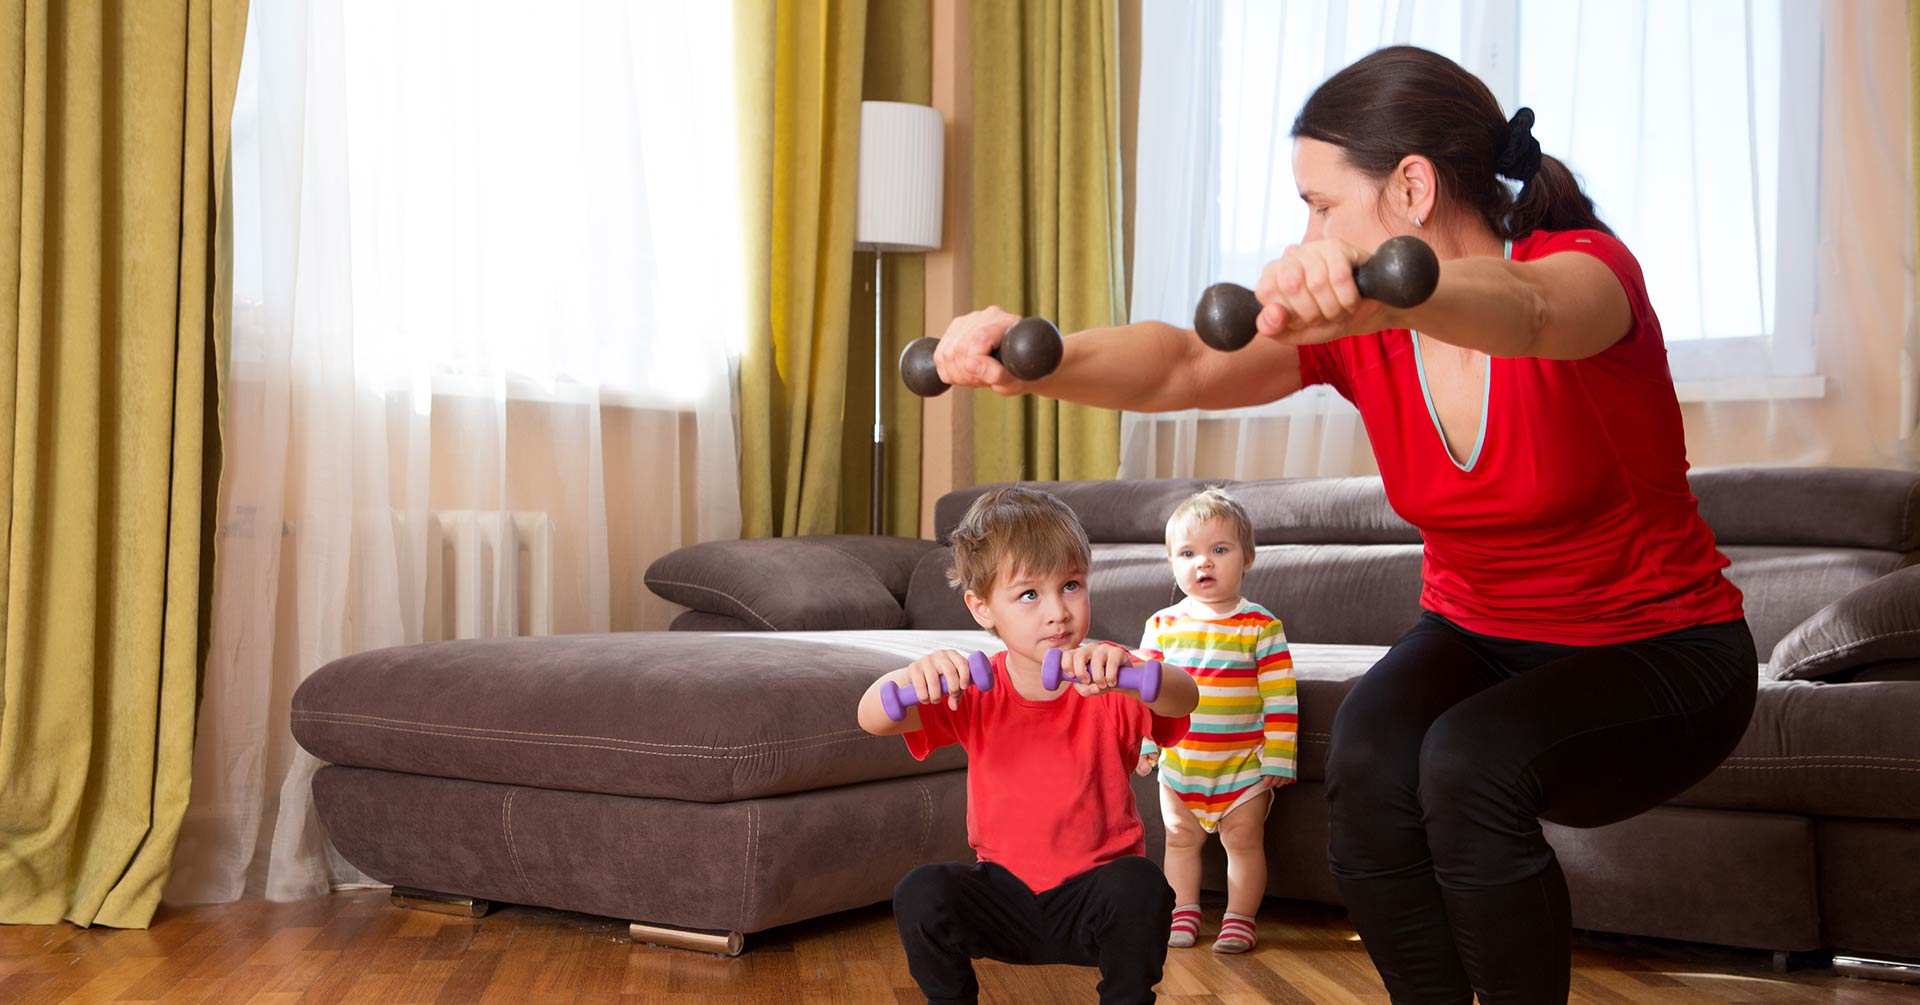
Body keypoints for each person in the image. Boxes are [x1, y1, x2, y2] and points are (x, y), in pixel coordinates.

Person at [925, 45, 1756, 1005]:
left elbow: (1531, 314)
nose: (1309, 231)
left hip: (1662, 651)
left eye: (1321, 204)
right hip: (1477, 636)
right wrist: (1034, 361)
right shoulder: (1363, 334)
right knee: (1366, 755)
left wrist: (1386, 294)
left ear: (1412, 187)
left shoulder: (1586, 272)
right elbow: (1184, 364)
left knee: (1469, 761)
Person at [856, 485, 1201, 1005]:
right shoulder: (976, 688)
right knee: (920, 892)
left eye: (1071, 585)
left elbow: (1184, 698)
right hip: (1003, 897)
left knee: (1141, 886)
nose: (1057, 611)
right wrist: (909, 677)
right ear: (982, 608)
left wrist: (1137, 676)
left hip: (1094, 898)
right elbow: (872, 718)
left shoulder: (1111, 678)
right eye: (1029, 595)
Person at [1135, 488, 1296, 954]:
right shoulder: (1161, 626)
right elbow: (1145, 694)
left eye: (1219, 550)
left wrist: (1279, 757)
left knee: (1243, 841)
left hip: (1242, 765)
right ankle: (1182, 911)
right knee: (1179, 840)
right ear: (1172, 562)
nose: (1203, 563)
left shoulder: (1261, 626)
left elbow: (1280, 695)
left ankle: (1240, 918)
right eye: (1188, 554)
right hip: (1181, 764)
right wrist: (1146, 744)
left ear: (1247, 559)